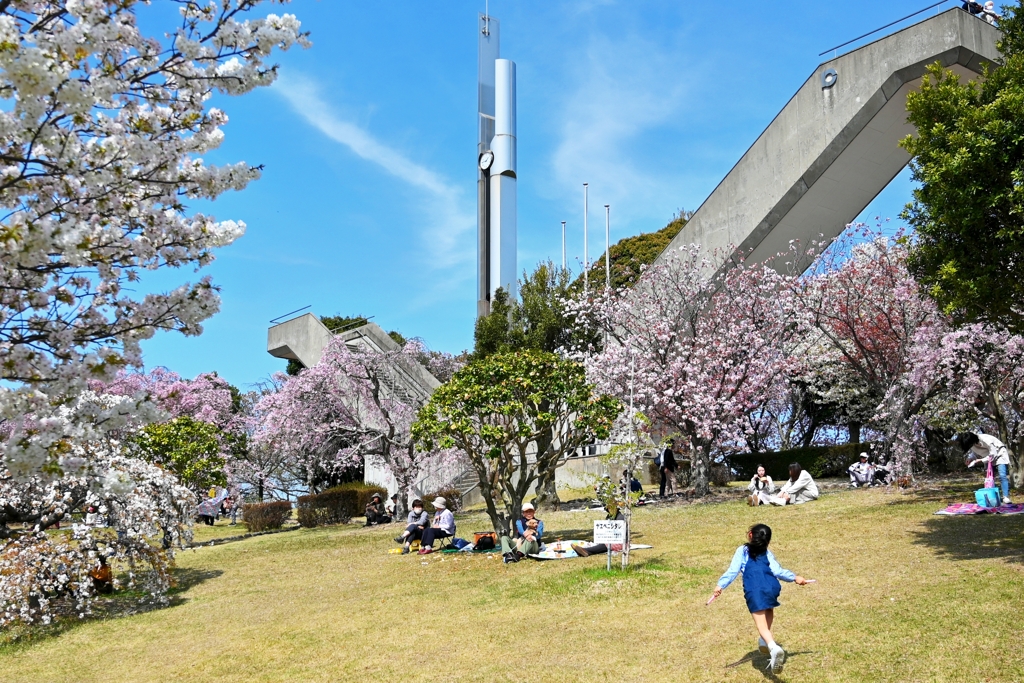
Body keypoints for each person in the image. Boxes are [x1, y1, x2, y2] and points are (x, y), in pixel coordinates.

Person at [708, 523, 814, 675]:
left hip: (755, 589)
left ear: (750, 535)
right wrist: (795, 577)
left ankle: (773, 647)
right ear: (767, 541)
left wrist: (720, 585)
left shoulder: (742, 550)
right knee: (768, 609)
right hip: (771, 587)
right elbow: (777, 571)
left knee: (761, 625)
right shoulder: (767, 553)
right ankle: (764, 641)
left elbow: (733, 570)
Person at [958, 432, 1012, 505]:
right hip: (988, 457)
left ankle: (1006, 497)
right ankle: (992, 497)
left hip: (999, 454)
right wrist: (970, 458)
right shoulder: (972, 443)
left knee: (1002, 475)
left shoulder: (985, 439)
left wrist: (981, 460)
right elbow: (974, 453)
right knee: (989, 478)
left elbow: (994, 453)